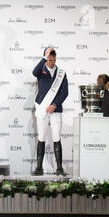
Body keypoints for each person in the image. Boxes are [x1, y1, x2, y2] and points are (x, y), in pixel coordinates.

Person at [32, 47, 68, 176]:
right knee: (41, 137)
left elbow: (65, 92)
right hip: (42, 107)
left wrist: (54, 104)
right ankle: (39, 167)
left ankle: (59, 168)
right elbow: (34, 72)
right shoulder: (41, 70)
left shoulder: (61, 73)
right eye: (49, 59)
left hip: (55, 109)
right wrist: (43, 58)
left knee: (57, 137)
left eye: (53, 59)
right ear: (46, 58)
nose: (52, 62)